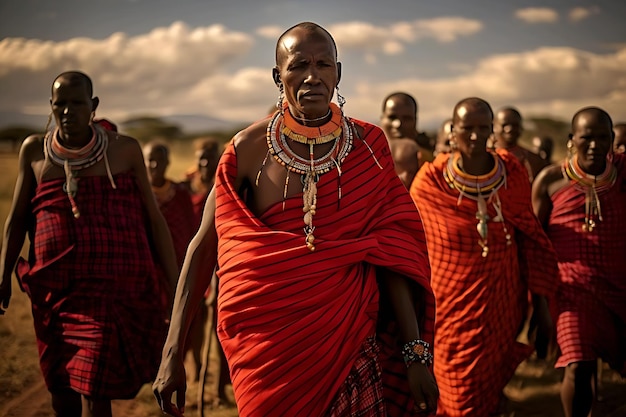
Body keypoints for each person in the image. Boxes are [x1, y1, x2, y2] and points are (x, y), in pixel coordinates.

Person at [153, 21, 438, 417]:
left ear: (339, 72)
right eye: (298, 64)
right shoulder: (247, 150)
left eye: (323, 64)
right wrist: (173, 354)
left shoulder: (370, 148)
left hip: (350, 344)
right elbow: (204, 247)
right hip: (269, 357)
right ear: (277, 75)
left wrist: (415, 354)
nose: (312, 76)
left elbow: (388, 253)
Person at [0, 71, 179, 417]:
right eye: (60, 104)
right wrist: (3, 273)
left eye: (77, 103)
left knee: (96, 385)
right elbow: (18, 218)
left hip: (110, 292)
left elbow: (153, 219)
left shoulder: (123, 150)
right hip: (54, 294)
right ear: (51, 107)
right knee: (60, 388)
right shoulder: (34, 151)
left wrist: (175, 284)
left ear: (93, 106)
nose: (67, 112)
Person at [410, 97, 559, 416]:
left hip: (502, 303)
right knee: (458, 390)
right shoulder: (431, 183)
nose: (475, 136)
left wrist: (542, 303)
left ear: (492, 131)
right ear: (453, 132)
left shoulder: (511, 172)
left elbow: (530, 236)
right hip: (449, 310)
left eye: (483, 128)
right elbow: (412, 245)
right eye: (468, 128)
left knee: (486, 386)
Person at [531, 107, 626, 417]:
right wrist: (539, 303)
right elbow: (536, 243)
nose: (595, 145)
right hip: (570, 290)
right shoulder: (550, 180)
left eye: (603, 138)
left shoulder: (622, 173)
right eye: (587, 138)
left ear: (613, 140)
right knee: (578, 365)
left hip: (618, 286)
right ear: (572, 141)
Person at [144, 140, 196, 269]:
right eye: (150, 160)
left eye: (160, 160)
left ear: (167, 162)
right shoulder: (137, 193)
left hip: (179, 262)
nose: (155, 165)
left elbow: (190, 228)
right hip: (148, 263)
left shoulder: (180, 193)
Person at [494, 106, 549, 182]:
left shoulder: (533, 159)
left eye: (515, 125)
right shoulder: (487, 156)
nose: (509, 129)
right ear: (494, 127)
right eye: (504, 125)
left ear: (521, 128)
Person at [380, 92, 434, 166]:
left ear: (415, 121)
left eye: (406, 118)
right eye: (392, 117)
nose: (398, 124)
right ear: (382, 119)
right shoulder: (365, 154)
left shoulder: (431, 161)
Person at [183, 137, 222, 225]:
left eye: (210, 158)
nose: (205, 163)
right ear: (195, 160)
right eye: (201, 158)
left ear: (218, 159)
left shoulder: (223, 185)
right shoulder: (186, 184)